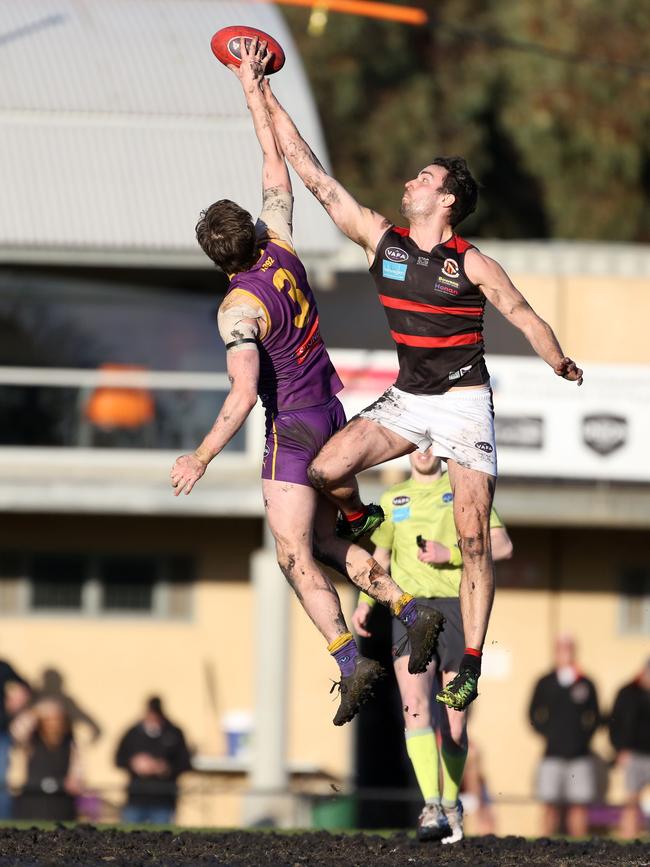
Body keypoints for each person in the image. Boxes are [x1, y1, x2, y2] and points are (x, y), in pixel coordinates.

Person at [256, 66, 583, 711]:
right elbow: (316, 179)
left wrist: (559, 360)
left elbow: (521, 314)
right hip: (410, 400)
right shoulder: (387, 243)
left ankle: (470, 664)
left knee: (472, 539)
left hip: (464, 405)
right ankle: (360, 516)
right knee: (326, 468)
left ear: (447, 200)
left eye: (424, 179)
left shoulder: (472, 261)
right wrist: (264, 94)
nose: (411, 182)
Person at [170, 39, 441, 726]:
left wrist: (200, 455)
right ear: (257, 233)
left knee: (294, 552)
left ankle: (350, 659)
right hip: (331, 408)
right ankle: (409, 608)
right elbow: (274, 165)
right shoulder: (282, 242)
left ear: (215, 259)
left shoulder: (238, 307)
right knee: (325, 542)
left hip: (291, 427)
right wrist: (250, 90)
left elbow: (241, 394)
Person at [352, 450, 512, 842]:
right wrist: (364, 602)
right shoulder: (392, 499)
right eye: (415, 443)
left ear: (440, 449)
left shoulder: (463, 489)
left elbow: (503, 546)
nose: (422, 451)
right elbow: (381, 556)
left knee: (454, 723)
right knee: (415, 706)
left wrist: (450, 554)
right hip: (409, 610)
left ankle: (452, 804)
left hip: (459, 608)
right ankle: (431, 806)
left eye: (429, 443)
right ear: (407, 450)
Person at [529, 635, 600, 837]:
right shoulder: (545, 682)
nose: (565, 653)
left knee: (579, 807)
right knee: (549, 805)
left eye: (569, 648)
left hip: (580, 756)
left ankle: (581, 851)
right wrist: (547, 733)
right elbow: (533, 713)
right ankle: (544, 849)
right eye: (561, 648)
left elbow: (595, 716)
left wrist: (583, 738)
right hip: (552, 754)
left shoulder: (586, 682)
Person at [115, 696, 191, 825]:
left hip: (163, 800)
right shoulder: (133, 733)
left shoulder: (174, 732)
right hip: (136, 798)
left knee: (163, 839)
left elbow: (185, 762)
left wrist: (165, 768)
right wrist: (134, 764)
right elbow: (119, 759)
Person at [11, 698, 83, 821]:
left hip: (60, 802)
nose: (54, 724)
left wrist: (75, 781)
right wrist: (37, 711)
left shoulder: (70, 743)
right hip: (32, 799)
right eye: (49, 720)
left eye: (58, 720)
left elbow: (78, 769)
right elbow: (17, 729)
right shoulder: (31, 742)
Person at [609, 657, 650, 839]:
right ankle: (628, 841)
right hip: (634, 756)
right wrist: (620, 749)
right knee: (631, 802)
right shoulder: (627, 693)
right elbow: (614, 723)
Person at [0, 658, 31, 818]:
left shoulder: (3, 667)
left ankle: (3, 823)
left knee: (1, 781)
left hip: (1, 733)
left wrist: (15, 704)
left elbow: (25, 687)